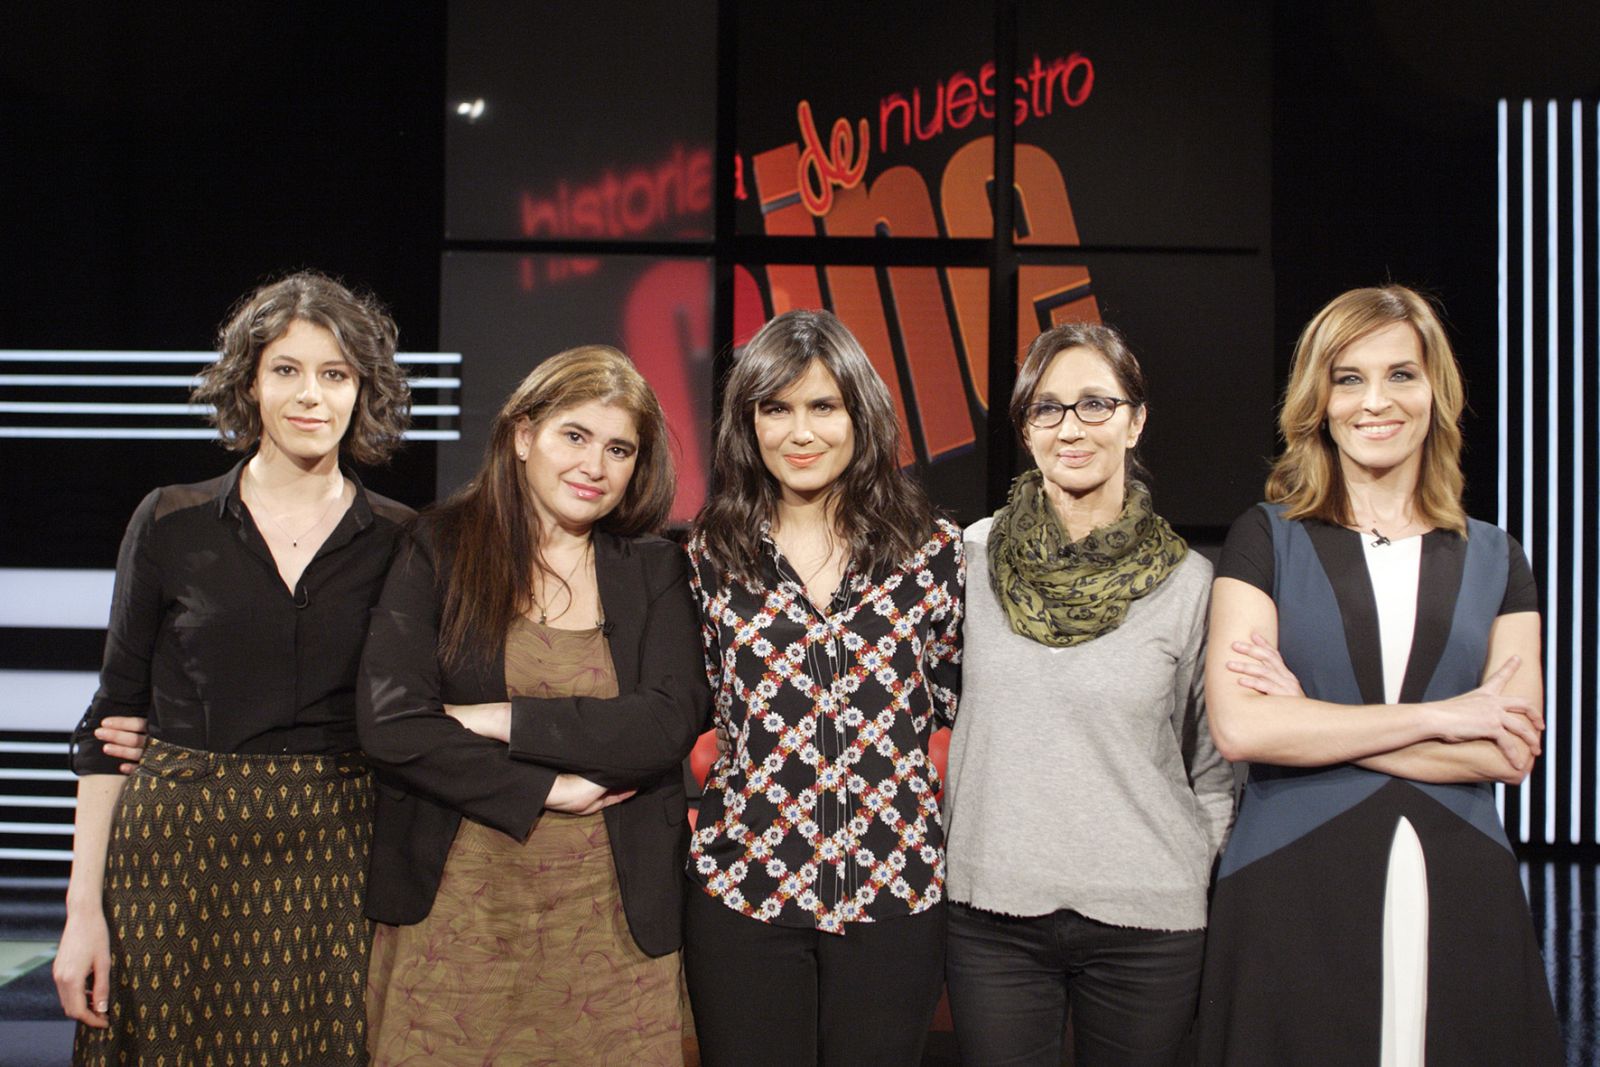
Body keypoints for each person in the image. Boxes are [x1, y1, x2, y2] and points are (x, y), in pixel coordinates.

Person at [1196, 286, 1562, 1065]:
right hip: (1292, 884)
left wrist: (1315, 718)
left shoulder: (1497, 556)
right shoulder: (1266, 538)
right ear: (1318, 400)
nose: (1376, 401)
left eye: (1402, 374)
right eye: (1349, 377)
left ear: (1437, 393)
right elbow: (1243, 726)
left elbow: (1507, 752)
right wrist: (1443, 716)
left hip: (1463, 885)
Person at [56, 270, 414, 1064]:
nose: (310, 395)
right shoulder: (170, 520)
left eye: (335, 373)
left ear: (363, 391)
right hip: (176, 857)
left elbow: (419, 711)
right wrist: (83, 913)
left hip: (333, 860)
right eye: (286, 369)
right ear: (249, 383)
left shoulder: (402, 539)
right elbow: (106, 726)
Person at [356, 345, 706, 1064]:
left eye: (619, 449)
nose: (594, 466)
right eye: (573, 436)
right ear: (522, 436)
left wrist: (498, 716)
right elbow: (392, 724)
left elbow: (667, 721)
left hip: (612, 930)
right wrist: (551, 788)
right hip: (459, 919)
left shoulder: (655, 568)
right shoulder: (437, 547)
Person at [941, 321, 1233, 1065]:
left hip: (1148, 918)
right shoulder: (967, 559)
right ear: (1026, 429)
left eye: (1095, 405)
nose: (1071, 427)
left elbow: (1213, 766)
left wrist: (1195, 869)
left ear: (1135, 421)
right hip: (992, 912)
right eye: (1048, 407)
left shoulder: (1189, 581)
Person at [682, 308, 964, 1067]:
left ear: (859, 415)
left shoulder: (932, 550)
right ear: (749, 422)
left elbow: (961, 699)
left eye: (822, 407)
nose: (800, 433)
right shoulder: (712, 552)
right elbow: (685, 704)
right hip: (745, 887)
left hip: (893, 886)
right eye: (776, 409)